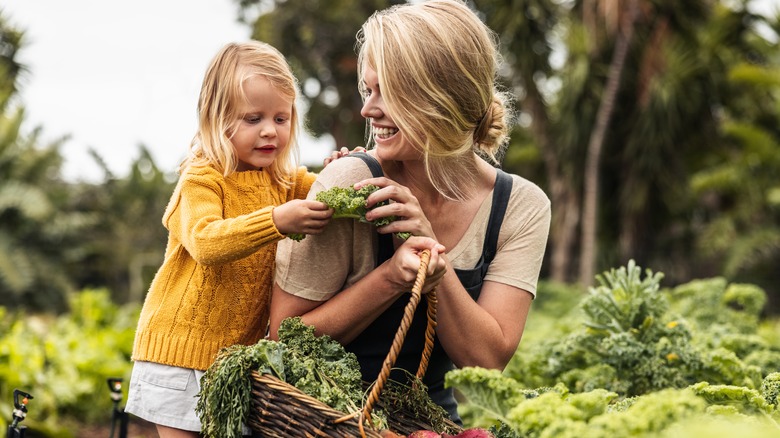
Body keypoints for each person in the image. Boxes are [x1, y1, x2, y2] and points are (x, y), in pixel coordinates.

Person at [268, 0, 551, 424]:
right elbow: (283, 340)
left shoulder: (520, 207)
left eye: (387, 92)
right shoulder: (348, 182)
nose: (367, 109)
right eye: (368, 89)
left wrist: (431, 260)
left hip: (426, 424)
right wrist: (391, 278)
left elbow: (487, 360)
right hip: (315, 421)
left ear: (439, 96)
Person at [124, 40, 334, 438]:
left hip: (234, 365)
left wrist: (343, 168)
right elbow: (206, 242)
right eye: (253, 118)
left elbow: (328, 190)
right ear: (218, 120)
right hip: (180, 357)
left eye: (281, 117)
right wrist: (276, 220)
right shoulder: (202, 178)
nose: (270, 130)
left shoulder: (286, 181)